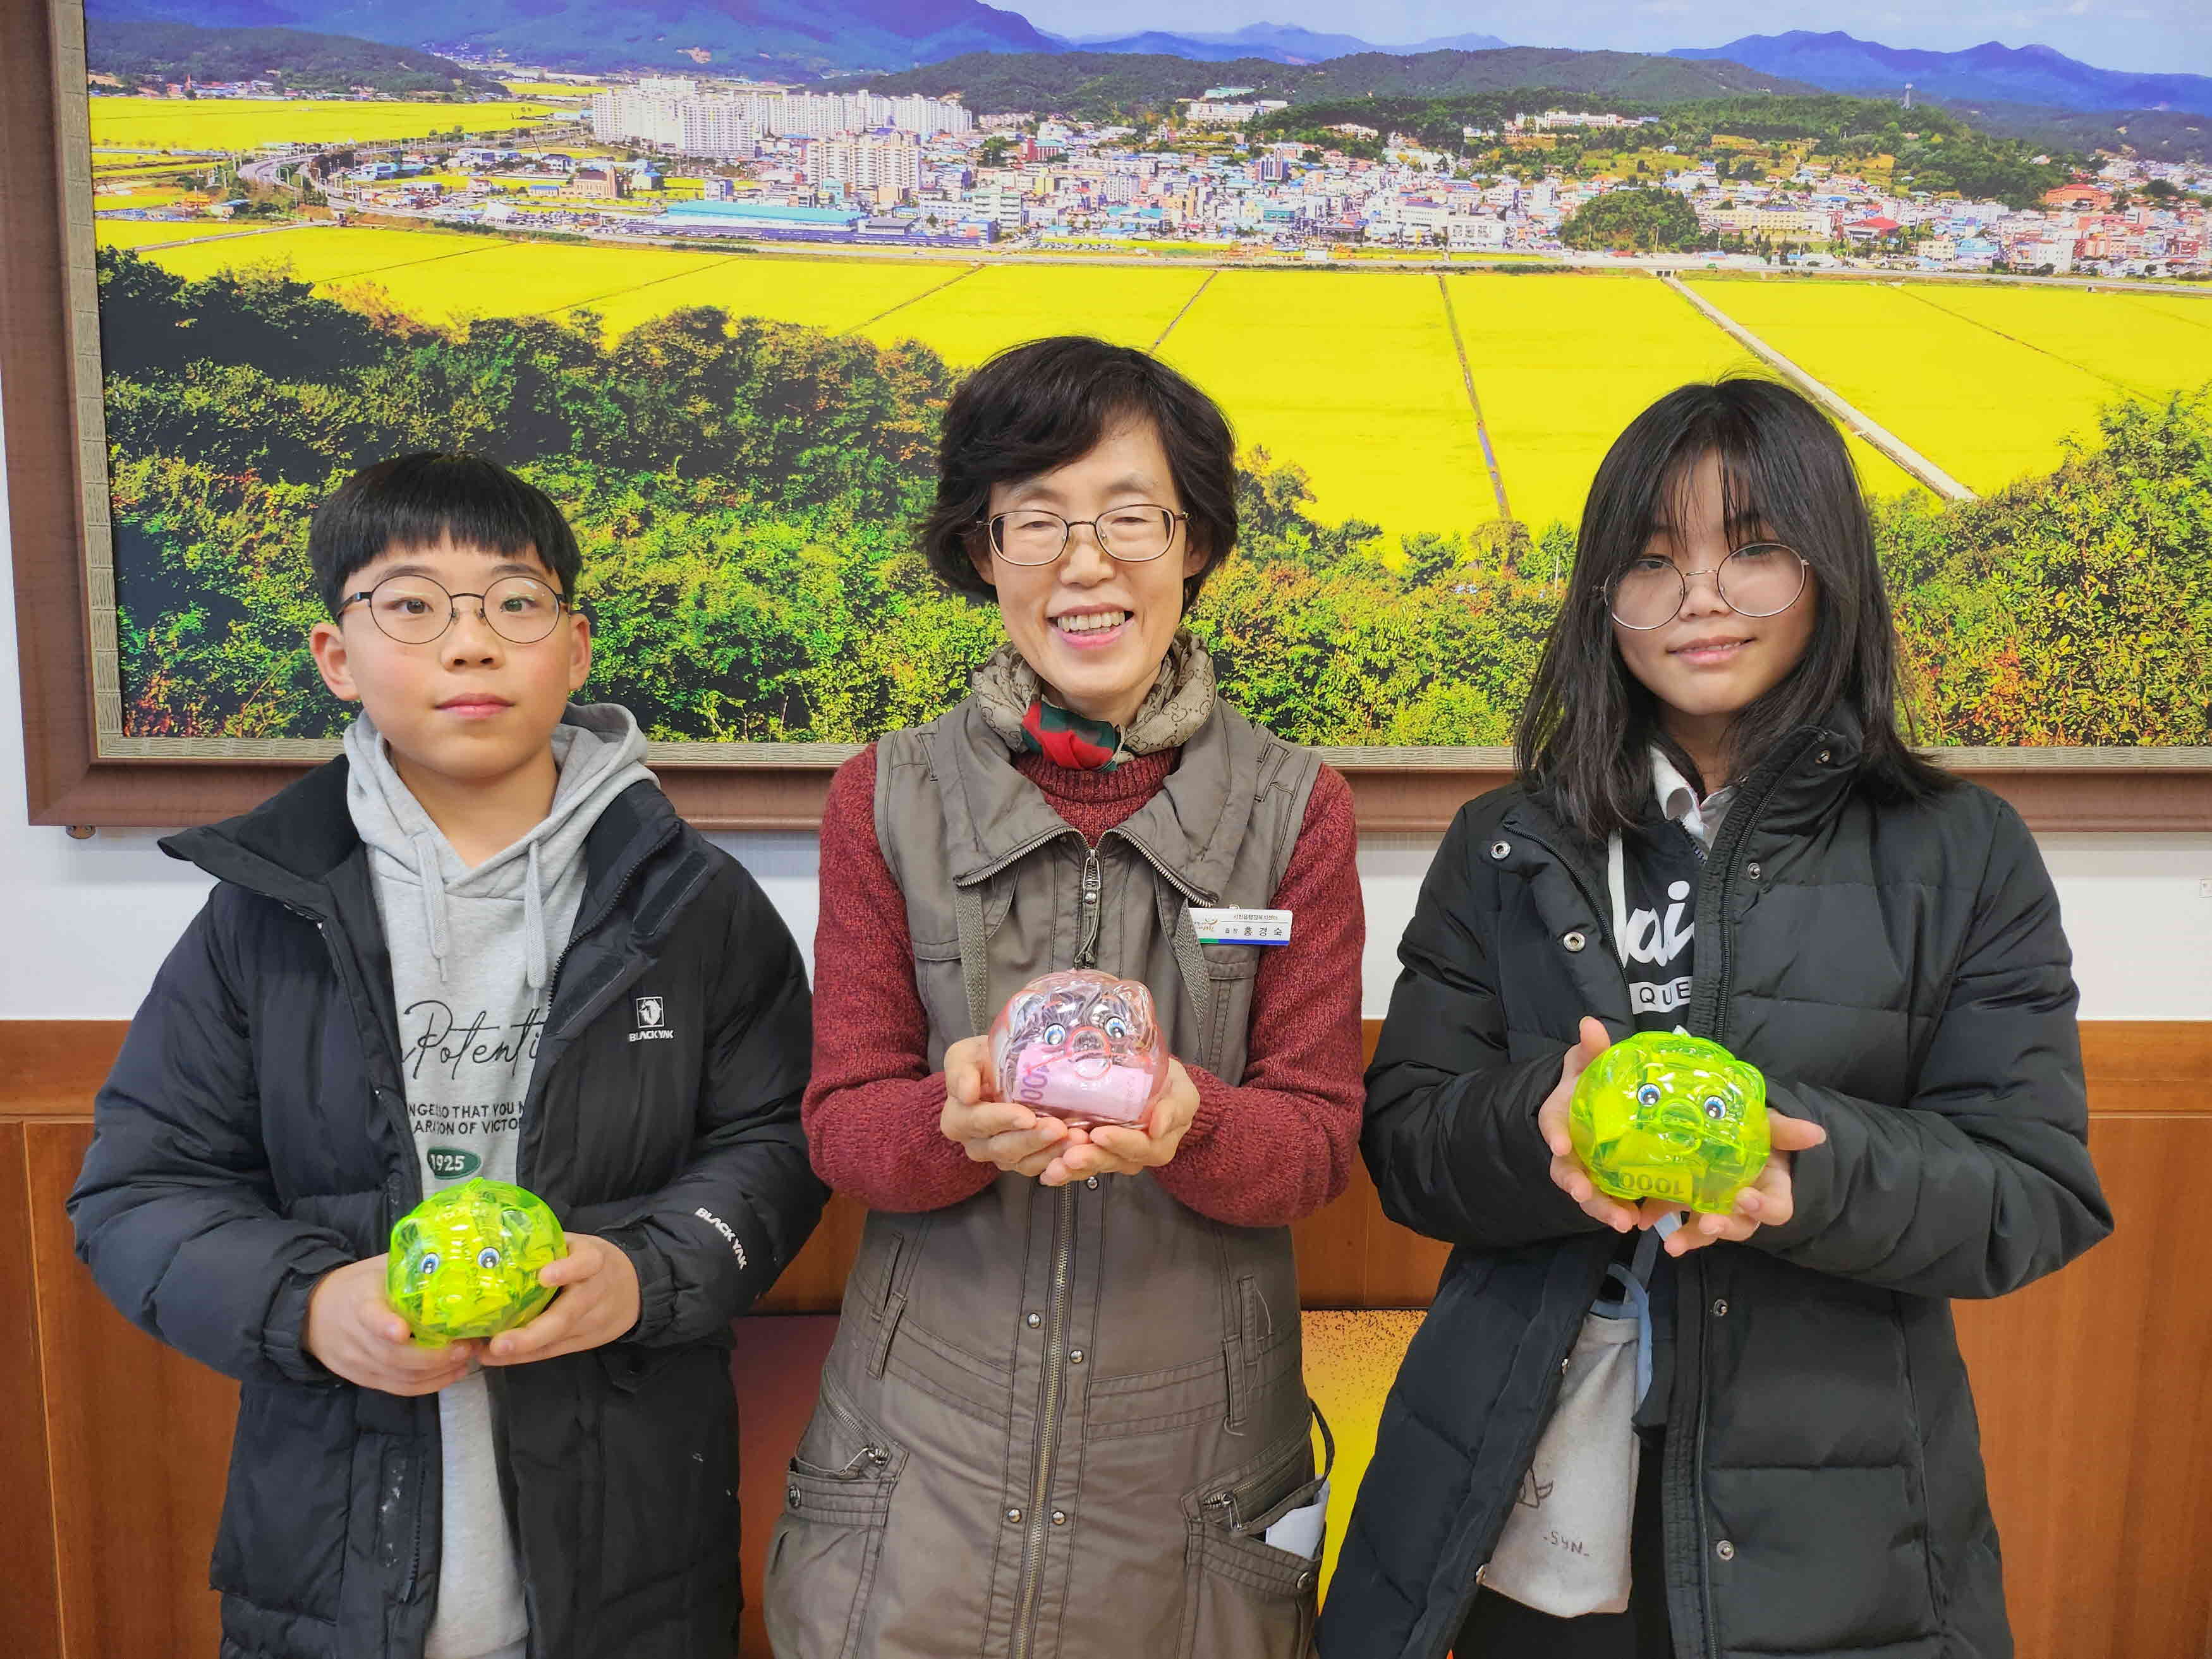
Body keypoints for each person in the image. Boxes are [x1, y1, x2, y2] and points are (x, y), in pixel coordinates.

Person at [1322, 379, 2112, 1659]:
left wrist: (1801, 1170)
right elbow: (1406, 1140)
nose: (1699, 594)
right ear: (1601, 597)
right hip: (1518, 1490)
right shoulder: (1506, 843)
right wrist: (1540, 1124)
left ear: (1828, 569)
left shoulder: (1958, 849)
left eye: (1751, 547)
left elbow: (2031, 1191)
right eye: (1651, 559)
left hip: (1835, 1530)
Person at [69, 453, 825, 1659]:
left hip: (634, 1551)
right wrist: (311, 1305)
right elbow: (139, 1190)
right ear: (337, 656)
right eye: (411, 604)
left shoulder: (695, 903)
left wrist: (646, 1273)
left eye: (513, 602)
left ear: (573, 648)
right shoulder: (262, 914)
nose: (469, 644)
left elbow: (776, 1142)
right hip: (327, 1561)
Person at [765, 336, 1366, 1658]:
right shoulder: (886, 795)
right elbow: (844, 1120)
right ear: (982, 551)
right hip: (919, 1480)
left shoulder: (1295, 807)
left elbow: (1318, 1140)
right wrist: (951, 1121)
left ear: (1194, 540)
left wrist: (1190, 1122)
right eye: (1034, 520)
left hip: (1190, 1497)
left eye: (1128, 517)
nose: (1083, 563)